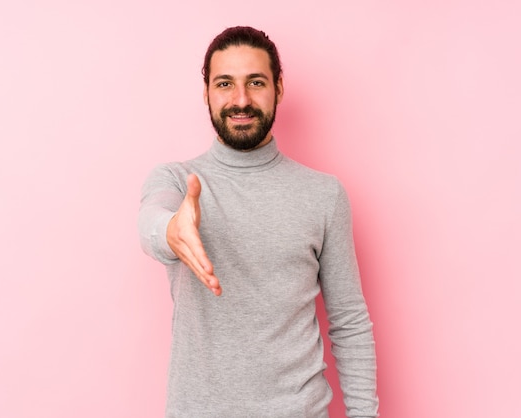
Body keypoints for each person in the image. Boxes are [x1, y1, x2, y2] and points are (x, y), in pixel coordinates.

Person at [138, 26, 378, 418]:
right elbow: (151, 221)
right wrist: (170, 232)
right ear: (207, 94)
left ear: (278, 89)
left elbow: (349, 322)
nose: (241, 100)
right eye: (224, 84)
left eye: (255, 82)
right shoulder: (177, 182)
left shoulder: (324, 195)